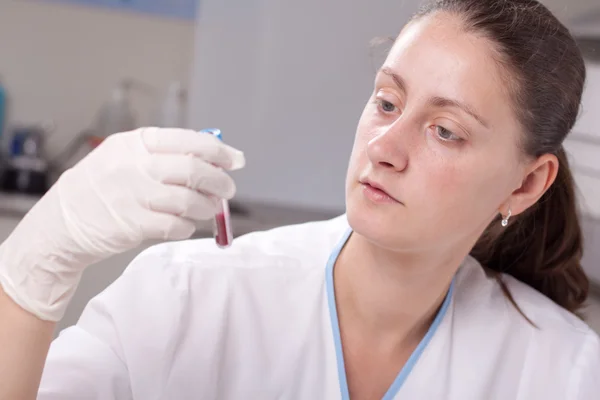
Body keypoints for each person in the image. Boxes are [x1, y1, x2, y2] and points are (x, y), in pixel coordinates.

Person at [1, 0, 599, 398]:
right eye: (387, 103)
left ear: (525, 184)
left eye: (446, 130)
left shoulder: (561, 371)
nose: (385, 147)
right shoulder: (184, 296)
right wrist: (37, 259)